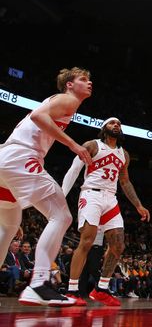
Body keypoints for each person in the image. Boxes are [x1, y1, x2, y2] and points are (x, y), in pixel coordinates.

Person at [0, 67, 93, 306]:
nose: (89, 82)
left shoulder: (63, 104)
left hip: (6, 160)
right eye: (83, 79)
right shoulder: (67, 99)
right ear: (70, 84)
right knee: (61, 216)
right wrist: (74, 145)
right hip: (20, 158)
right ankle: (39, 283)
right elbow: (37, 117)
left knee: (9, 225)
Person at [61, 117, 151, 306]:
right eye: (112, 123)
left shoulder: (124, 154)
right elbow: (74, 170)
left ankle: (101, 289)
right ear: (104, 128)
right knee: (87, 241)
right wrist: (61, 196)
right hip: (91, 195)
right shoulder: (92, 146)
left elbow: (125, 182)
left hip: (111, 198)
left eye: (119, 123)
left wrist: (138, 205)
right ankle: (72, 290)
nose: (116, 125)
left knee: (118, 245)